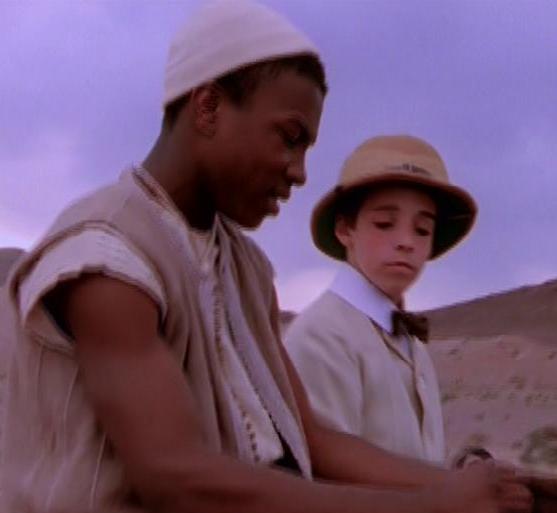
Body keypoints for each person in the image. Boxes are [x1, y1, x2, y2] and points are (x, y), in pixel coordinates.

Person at [0, 3, 528, 512]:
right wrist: (433, 506)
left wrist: (488, 489)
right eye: (289, 138)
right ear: (208, 107)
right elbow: (174, 478)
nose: (299, 171)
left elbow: (312, 440)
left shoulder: (245, 269)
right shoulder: (107, 256)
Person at [285, 134, 474, 464]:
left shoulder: (413, 347)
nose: (405, 241)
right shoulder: (321, 338)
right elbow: (324, 472)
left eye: (422, 230)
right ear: (345, 230)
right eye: (385, 224)